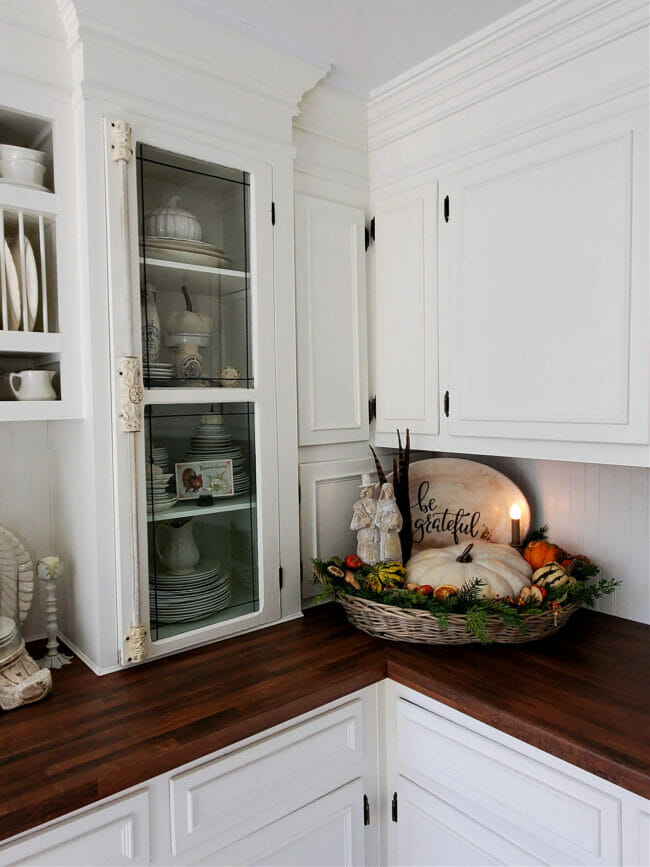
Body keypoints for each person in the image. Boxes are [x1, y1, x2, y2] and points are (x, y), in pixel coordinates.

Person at [350, 474, 379, 564]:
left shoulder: (377, 503)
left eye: (372, 489)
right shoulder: (359, 505)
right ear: (365, 491)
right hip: (365, 540)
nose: (371, 492)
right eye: (369, 490)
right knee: (365, 564)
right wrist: (363, 523)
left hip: (377, 537)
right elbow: (353, 526)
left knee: (377, 563)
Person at [374, 482, 403, 563]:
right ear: (383, 492)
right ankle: (387, 567)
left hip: (393, 531)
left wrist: (396, 523)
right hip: (385, 532)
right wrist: (384, 525)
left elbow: (399, 517)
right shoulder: (381, 504)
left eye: (390, 491)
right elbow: (377, 520)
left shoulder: (394, 503)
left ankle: (397, 565)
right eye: (386, 491)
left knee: (395, 551)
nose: (388, 493)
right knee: (386, 552)